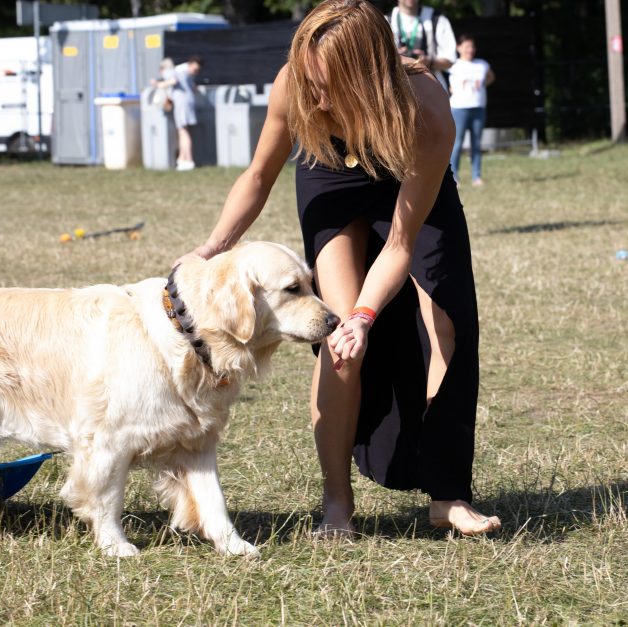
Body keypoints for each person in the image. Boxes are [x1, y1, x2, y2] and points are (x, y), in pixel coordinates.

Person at [175, 0, 501, 537]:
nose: (316, 96)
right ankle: (336, 505)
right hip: (331, 175)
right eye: (309, 80)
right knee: (335, 332)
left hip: (407, 178)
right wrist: (211, 247)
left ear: (368, 76)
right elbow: (258, 177)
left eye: (329, 85)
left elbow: (400, 242)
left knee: (446, 325)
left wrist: (369, 315)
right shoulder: (295, 85)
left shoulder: (426, 107)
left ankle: (448, 495)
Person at [448, 34, 495, 186]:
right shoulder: (452, 65)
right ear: (459, 48)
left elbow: (490, 78)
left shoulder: (482, 64)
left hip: (478, 107)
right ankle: (454, 177)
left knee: (476, 143)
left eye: (472, 47)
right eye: (467, 46)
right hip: (459, 108)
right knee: (457, 143)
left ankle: (477, 176)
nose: (470, 50)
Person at [388, 0, 457, 90]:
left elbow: (450, 60)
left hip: (431, 88)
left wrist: (429, 62)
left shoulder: (436, 18)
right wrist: (397, 57)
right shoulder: (387, 20)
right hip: (398, 89)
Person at [155, 55, 203, 171]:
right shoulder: (184, 71)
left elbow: (172, 81)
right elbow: (193, 88)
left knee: (183, 131)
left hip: (182, 103)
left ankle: (189, 160)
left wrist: (158, 84)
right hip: (186, 102)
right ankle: (182, 159)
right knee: (182, 131)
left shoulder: (176, 71)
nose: (195, 72)